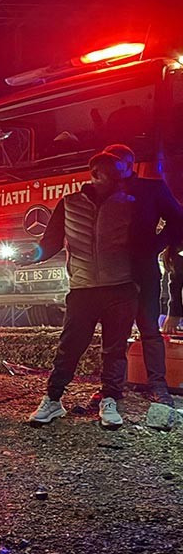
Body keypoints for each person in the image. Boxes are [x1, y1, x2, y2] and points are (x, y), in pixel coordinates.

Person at [23, 151, 138, 429]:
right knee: (70, 346)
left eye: (114, 172)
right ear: (94, 174)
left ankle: (110, 400)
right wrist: (33, 256)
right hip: (83, 289)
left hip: (120, 288)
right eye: (104, 172)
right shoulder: (70, 203)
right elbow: (50, 241)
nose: (109, 178)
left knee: (114, 349)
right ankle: (53, 400)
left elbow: (142, 242)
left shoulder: (130, 204)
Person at [102, 143, 183, 407]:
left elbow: (178, 219)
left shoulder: (152, 188)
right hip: (111, 271)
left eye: (115, 163)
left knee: (149, 328)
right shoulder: (101, 191)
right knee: (115, 332)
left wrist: (156, 245)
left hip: (142, 268)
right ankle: (111, 389)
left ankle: (159, 388)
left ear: (128, 163)